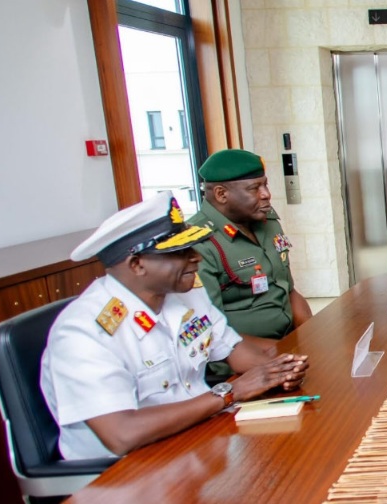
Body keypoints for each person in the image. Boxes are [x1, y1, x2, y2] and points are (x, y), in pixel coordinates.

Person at [41, 191, 309, 460]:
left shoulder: (187, 295)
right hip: (127, 470)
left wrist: (277, 372)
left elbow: (235, 351)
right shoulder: (85, 332)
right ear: (136, 265)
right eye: (180, 252)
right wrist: (230, 393)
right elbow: (122, 434)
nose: (196, 258)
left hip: (199, 441)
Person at [188, 149, 312, 341]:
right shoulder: (199, 244)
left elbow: (289, 291)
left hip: (287, 343)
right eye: (254, 188)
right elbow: (211, 332)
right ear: (221, 194)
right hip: (240, 359)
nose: (266, 194)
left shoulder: (267, 222)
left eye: (266, 185)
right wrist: (280, 355)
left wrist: (312, 337)